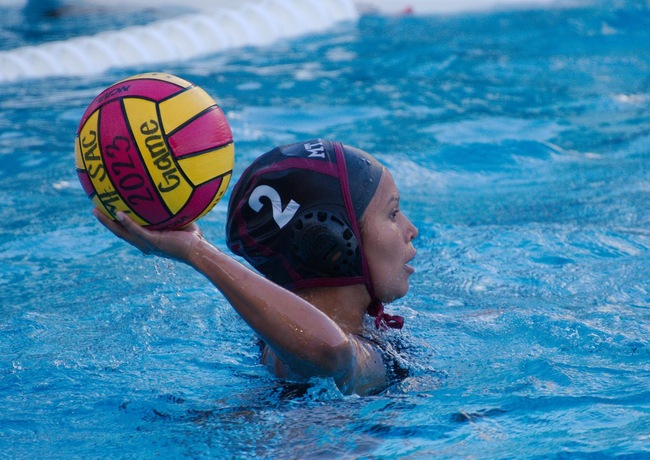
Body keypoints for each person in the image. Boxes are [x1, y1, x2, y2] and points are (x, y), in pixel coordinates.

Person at [94, 139, 418, 396]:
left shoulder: (277, 334)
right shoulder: (299, 355)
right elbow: (332, 352)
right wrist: (196, 252)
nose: (410, 229)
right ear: (330, 240)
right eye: (392, 214)